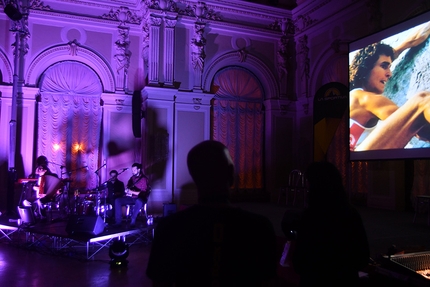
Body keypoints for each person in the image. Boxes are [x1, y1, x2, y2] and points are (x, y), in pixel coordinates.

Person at [146, 140, 277, 286]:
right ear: (231, 174)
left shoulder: (168, 228)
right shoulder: (259, 228)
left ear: (194, 176)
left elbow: (159, 282)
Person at [349, 21, 430, 151]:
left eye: (390, 67)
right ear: (365, 69)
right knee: (423, 100)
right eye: (384, 66)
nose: (390, 74)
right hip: (356, 159)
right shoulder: (365, 98)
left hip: (350, 160)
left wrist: (400, 48)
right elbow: (418, 130)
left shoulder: (350, 95)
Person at [291, 161, 369, 287]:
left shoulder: (311, 217)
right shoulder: (350, 213)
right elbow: (362, 257)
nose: (307, 190)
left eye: (310, 185)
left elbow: (300, 263)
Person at [113, 163, 150, 227]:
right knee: (117, 200)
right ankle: (118, 222)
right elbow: (128, 186)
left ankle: (133, 219)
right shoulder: (132, 178)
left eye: (134, 170)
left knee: (139, 201)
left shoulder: (144, 179)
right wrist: (127, 191)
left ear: (138, 170)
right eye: (132, 170)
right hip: (131, 198)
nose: (132, 171)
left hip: (140, 198)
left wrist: (131, 191)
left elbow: (143, 192)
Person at [23, 156, 60, 220]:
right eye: (38, 169)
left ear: (45, 170)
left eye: (41, 169)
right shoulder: (38, 177)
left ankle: (43, 217)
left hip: (47, 196)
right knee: (26, 202)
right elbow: (34, 187)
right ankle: (33, 216)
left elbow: (55, 187)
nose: (39, 170)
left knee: (40, 201)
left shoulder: (51, 176)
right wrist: (39, 188)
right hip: (38, 196)